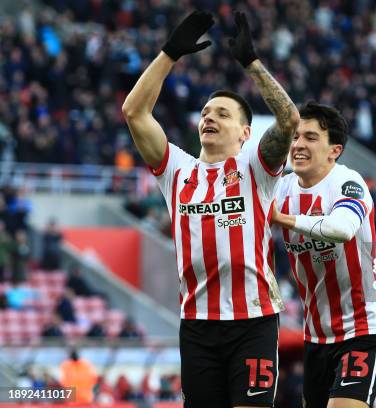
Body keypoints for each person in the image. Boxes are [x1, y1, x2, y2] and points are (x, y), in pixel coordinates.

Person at [122, 9, 299, 408]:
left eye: (222, 113)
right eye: (205, 113)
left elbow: (289, 120)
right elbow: (134, 112)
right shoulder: (177, 170)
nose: (209, 117)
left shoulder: (257, 167)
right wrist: (168, 54)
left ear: (245, 133)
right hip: (198, 325)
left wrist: (252, 64)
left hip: (252, 321)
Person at [271, 102, 376, 407]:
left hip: (364, 327)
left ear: (334, 150)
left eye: (311, 138)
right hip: (316, 335)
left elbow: (341, 228)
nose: (298, 144)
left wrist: (281, 218)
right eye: (296, 137)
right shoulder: (281, 189)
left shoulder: (348, 184)